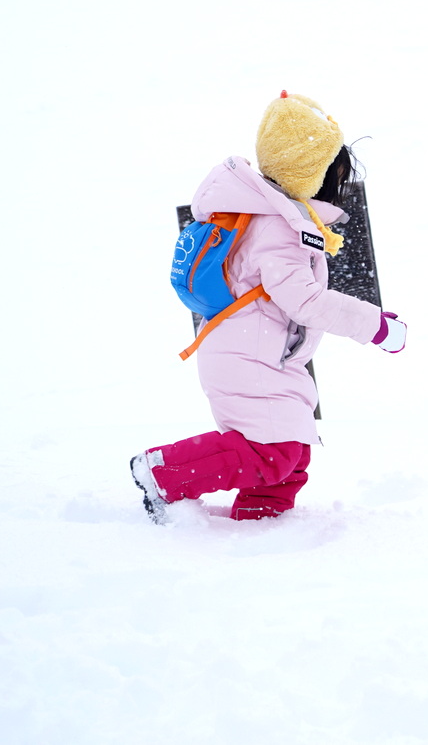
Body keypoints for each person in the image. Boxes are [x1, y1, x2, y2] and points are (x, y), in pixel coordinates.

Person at [130, 91, 406, 524]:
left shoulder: (270, 216)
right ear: (309, 172)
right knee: (271, 451)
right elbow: (307, 301)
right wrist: (375, 326)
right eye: (332, 174)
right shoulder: (278, 227)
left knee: (291, 456)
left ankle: (262, 524)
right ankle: (162, 472)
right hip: (248, 354)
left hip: (260, 351)